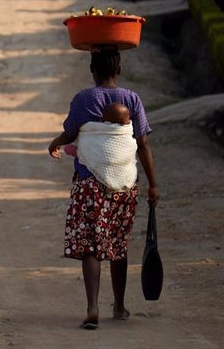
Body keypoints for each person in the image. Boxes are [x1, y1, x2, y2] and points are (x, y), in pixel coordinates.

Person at [48, 47, 159, 330]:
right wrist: (153, 185)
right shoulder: (132, 99)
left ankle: (93, 306)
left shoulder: (83, 99)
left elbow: (71, 133)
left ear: (91, 69)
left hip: (89, 182)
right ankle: (119, 306)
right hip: (124, 184)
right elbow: (143, 144)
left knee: (90, 245)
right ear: (119, 70)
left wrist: (55, 142)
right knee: (118, 244)